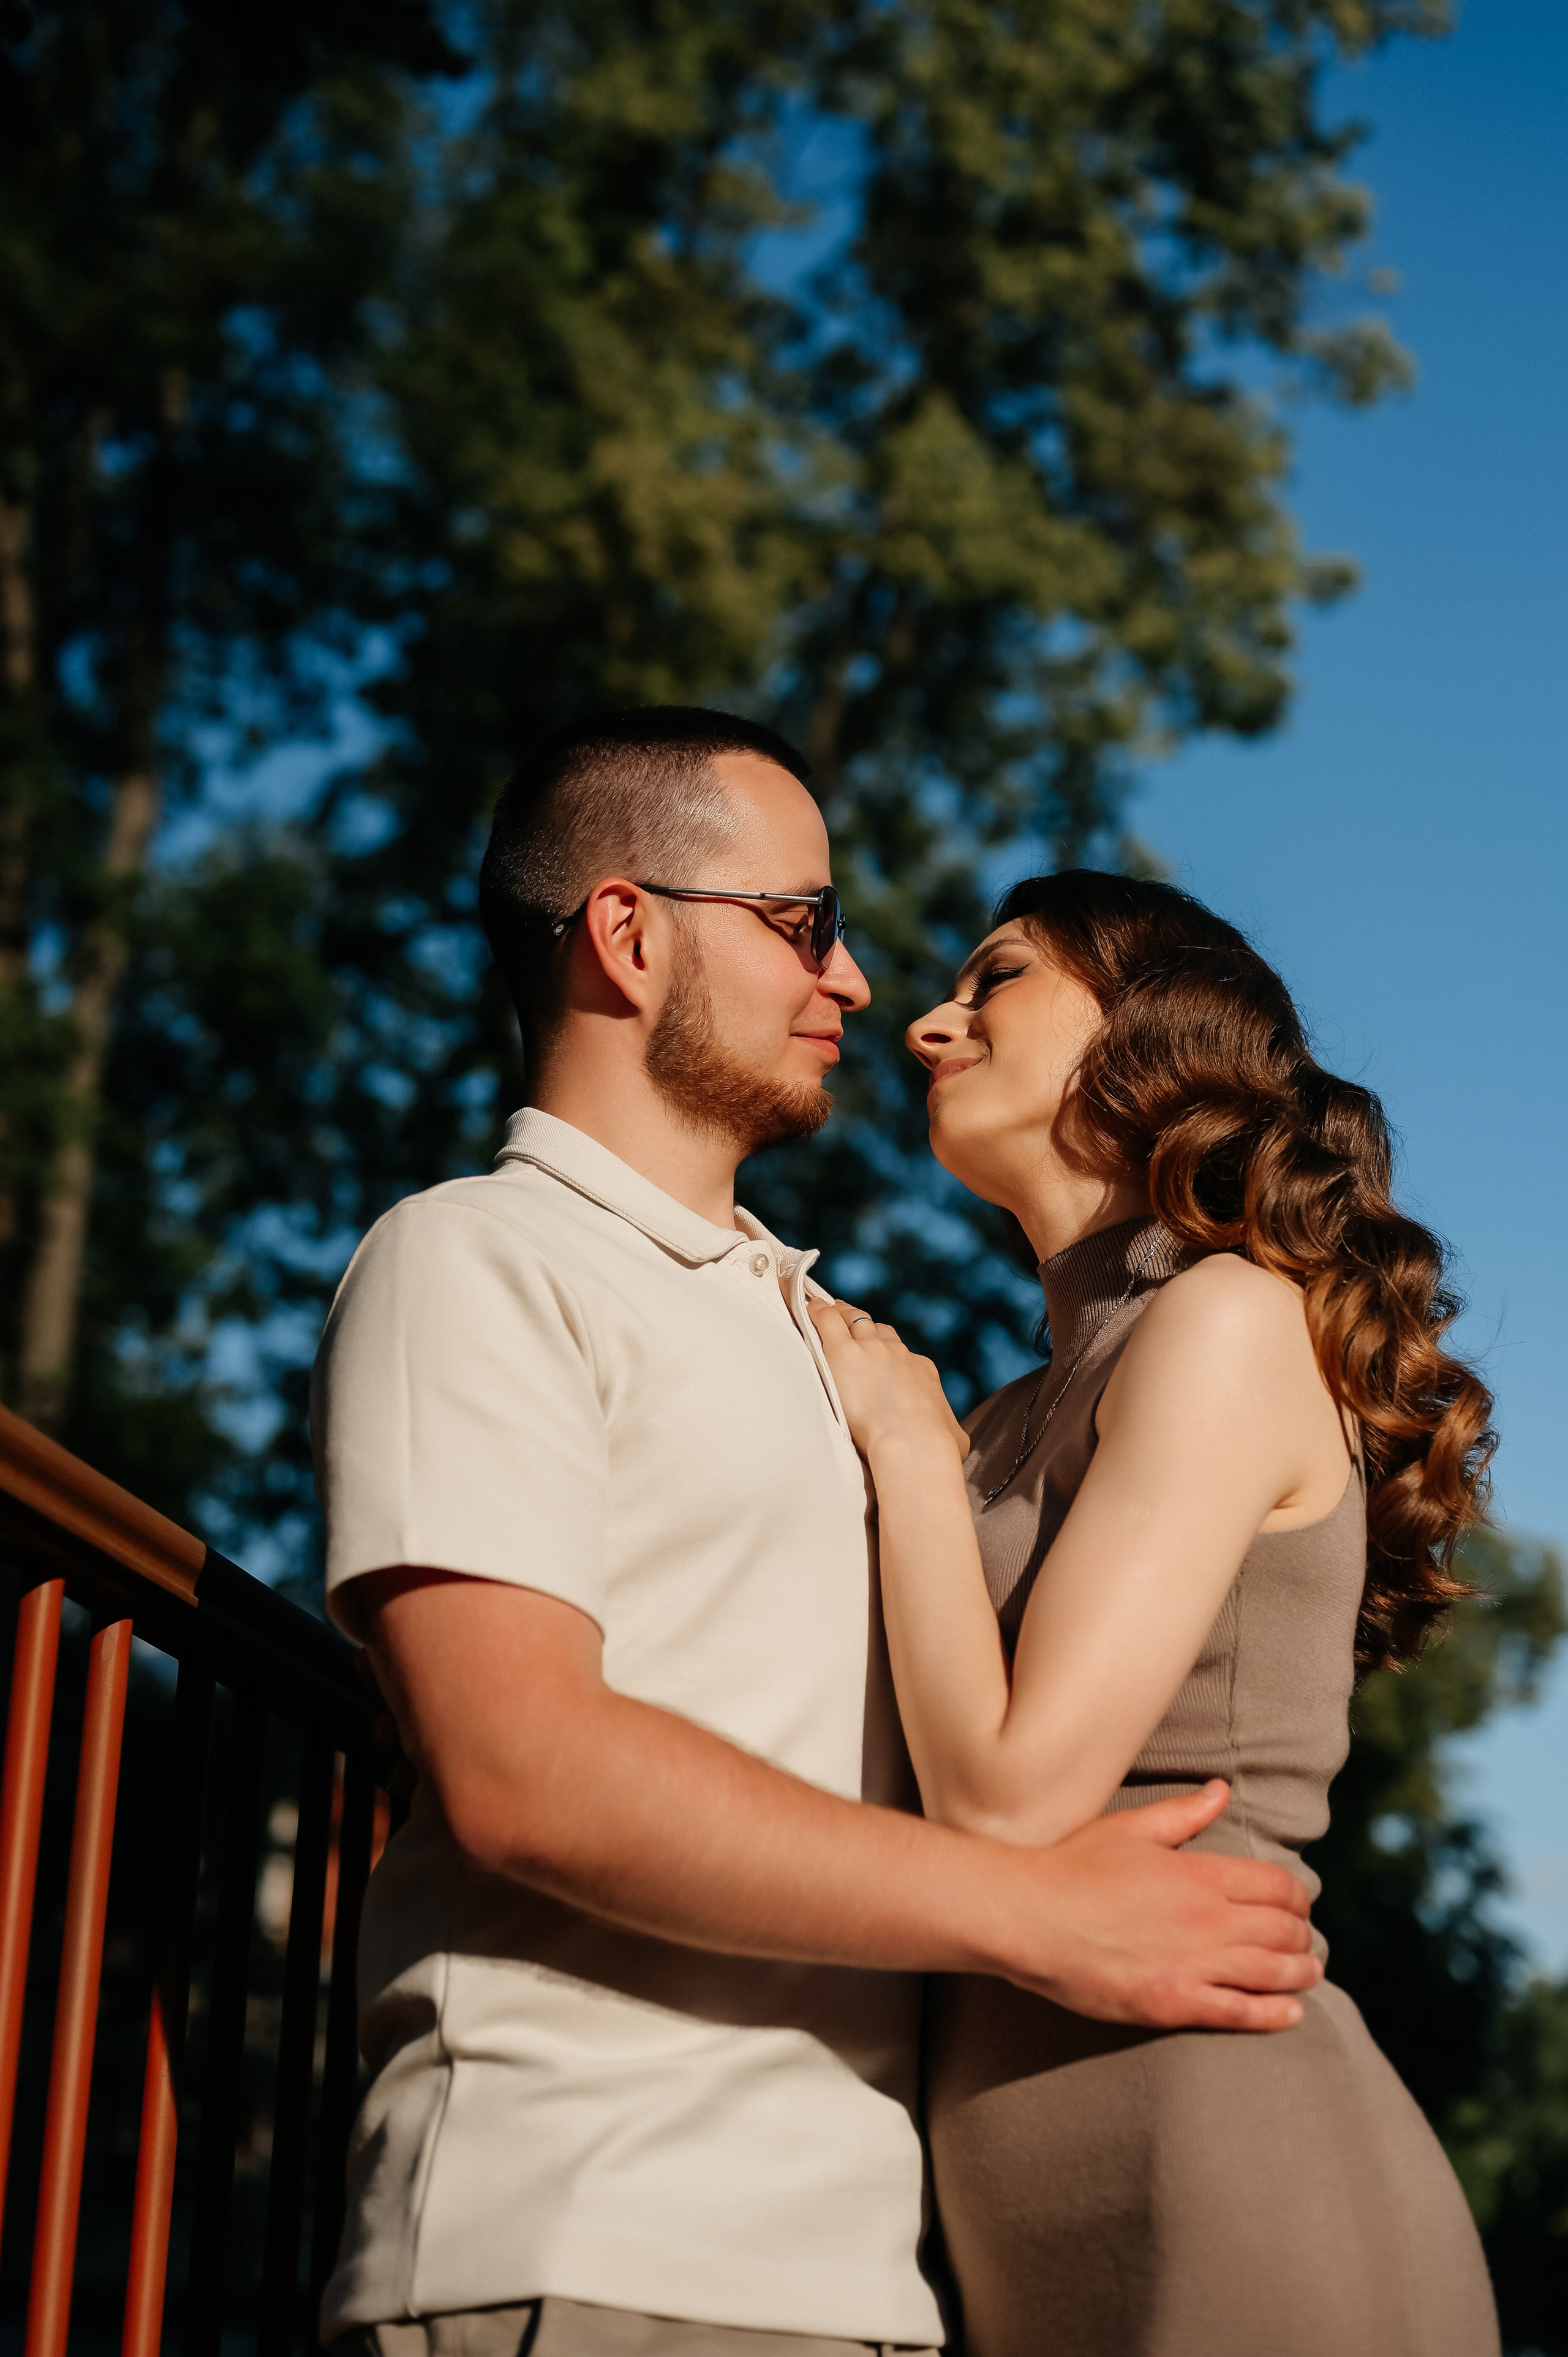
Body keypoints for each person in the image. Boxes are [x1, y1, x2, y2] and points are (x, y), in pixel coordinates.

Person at [311, 712, 1321, 2357]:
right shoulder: (477, 1260)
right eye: (801, 925)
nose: (857, 983)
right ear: (630, 936)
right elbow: (518, 1769)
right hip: (588, 2248)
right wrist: (1037, 1913)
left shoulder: (831, 1349)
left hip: (870, 2285)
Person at [809, 870, 1502, 2357]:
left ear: (1148, 1021)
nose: (927, 1024)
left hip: (1231, 2161)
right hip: (1018, 2214)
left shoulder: (1228, 1317)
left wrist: (910, 1461)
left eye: (992, 977)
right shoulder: (990, 1419)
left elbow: (1004, 1800)